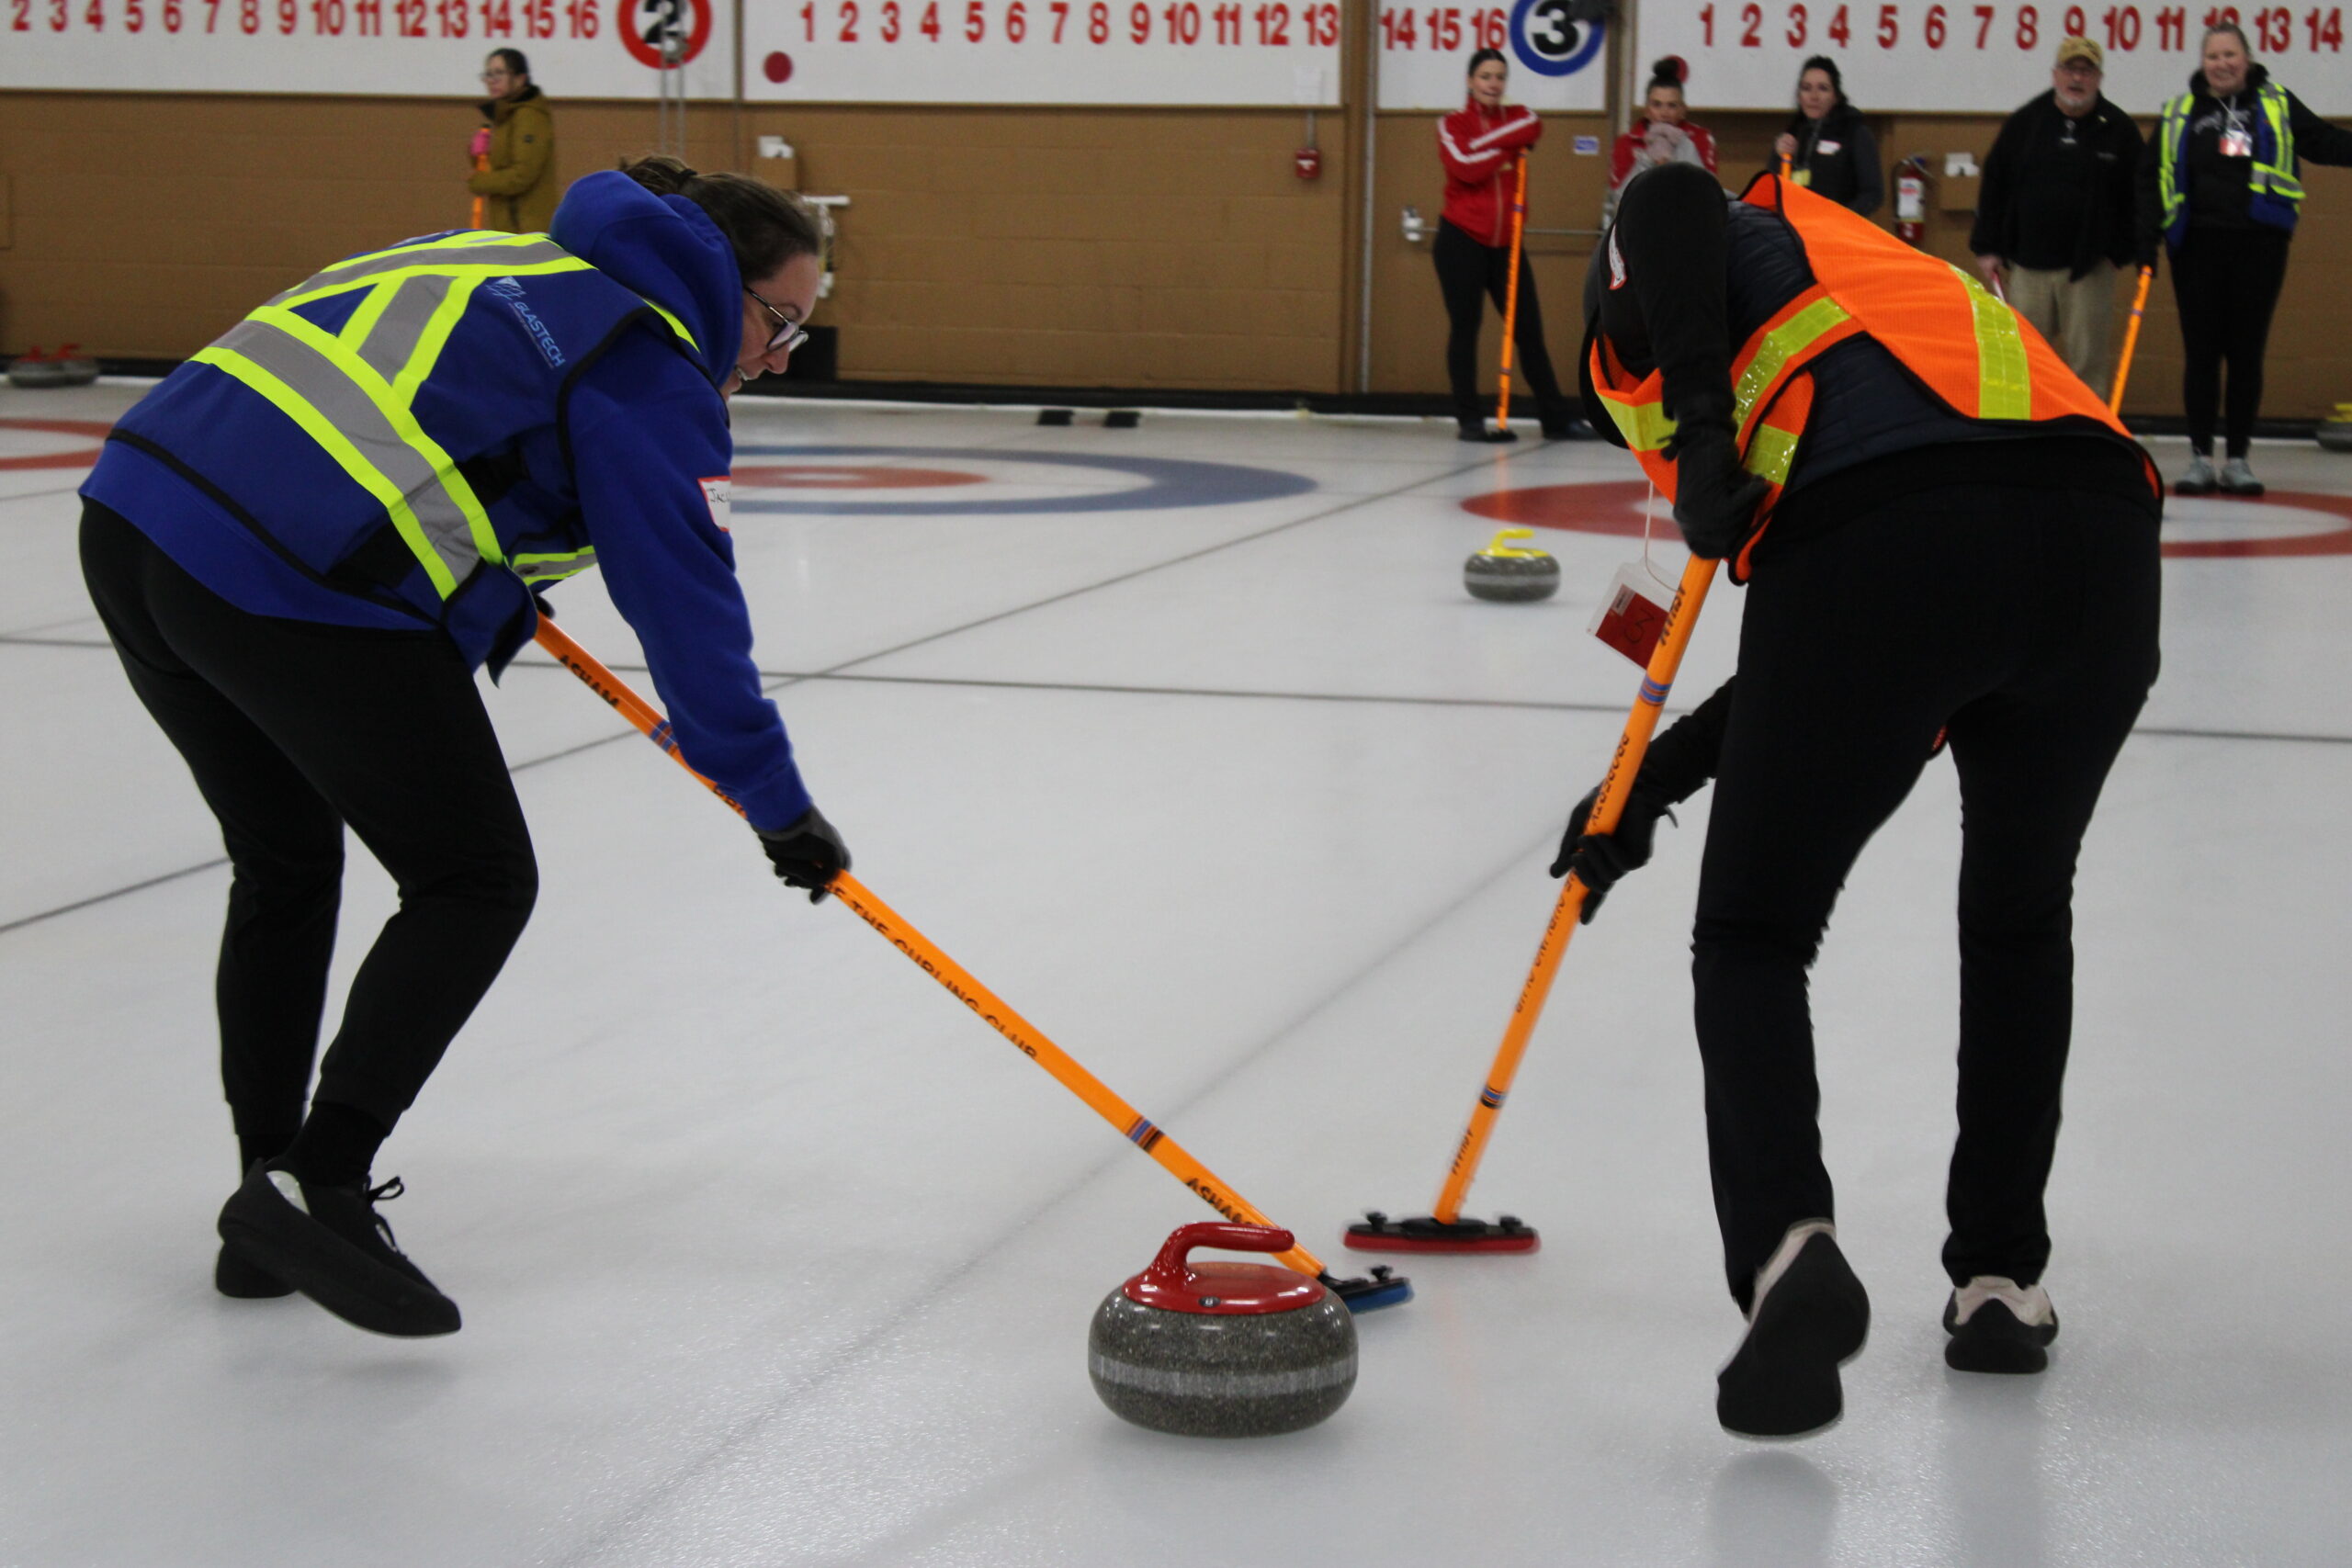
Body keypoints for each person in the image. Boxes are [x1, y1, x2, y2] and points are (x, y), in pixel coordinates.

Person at [77, 156, 850, 1338]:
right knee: (475, 879)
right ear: (716, 280)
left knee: (287, 862)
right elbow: (688, 615)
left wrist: (481, 574)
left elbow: (425, 427)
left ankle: (266, 1204)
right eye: (779, 320)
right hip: (289, 574)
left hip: (137, 517)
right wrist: (775, 804)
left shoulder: (504, 258)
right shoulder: (646, 366)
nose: (783, 354)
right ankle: (318, 1177)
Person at [1569, 161, 2162, 1438]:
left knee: (1752, 935)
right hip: (2101, 544)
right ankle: (2000, 1283)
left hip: (1892, 539)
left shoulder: (1672, 284)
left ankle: (1789, 1246)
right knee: (2019, 920)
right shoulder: (1872, 283)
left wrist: (1705, 438)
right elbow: (1841, 671)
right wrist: (1652, 780)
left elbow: (1664, 194)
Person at [2137, 23, 2352, 496]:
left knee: (2246, 354)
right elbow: (2150, 180)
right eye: (2213, 56)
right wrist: (2145, 239)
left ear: (2248, 59)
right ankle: (2199, 458)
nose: (2222, 64)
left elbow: (2323, 142)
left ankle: (2238, 460)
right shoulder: (2180, 112)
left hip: (2259, 247)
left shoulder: (2275, 103)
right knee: (2201, 354)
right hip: (2195, 249)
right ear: (2203, 63)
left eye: (2230, 55)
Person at [1970, 37, 2144, 389]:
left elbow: (2140, 195)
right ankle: (2030, 427)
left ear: (2099, 78)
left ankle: (2086, 427)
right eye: (2069, 69)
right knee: (2025, 362)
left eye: (2086, 71)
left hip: (2089, 269)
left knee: (2087, 367)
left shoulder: (2119, 130)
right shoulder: (2025, 123)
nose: (2077, 78)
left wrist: (2120, 251)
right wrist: (1987, 246)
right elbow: (1995, 184)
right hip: (2027, 268)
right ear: (2055, 74)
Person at [1436, 48, 1580, 443]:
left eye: (1499, 77)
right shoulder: (1452, 123)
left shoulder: (1519, 115)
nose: (1493, 84)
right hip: (1461, 239)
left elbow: (1533, 125)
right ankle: (1469, 420)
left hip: (1507, 243)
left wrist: (1485, 148)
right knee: (1466, 328)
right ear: (1470, 81)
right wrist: (1506, 149)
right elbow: (1463, 166)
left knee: (1529, 331)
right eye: (1485, 76)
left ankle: (1556, 419)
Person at [1607, 56, 1720, 223]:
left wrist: (1680, 149)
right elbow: (1619, 199)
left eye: (1672, 105)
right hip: (1639, 223)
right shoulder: (1627, 142)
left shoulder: (1701, 138)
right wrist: (1647, 159)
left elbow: (1708, 194)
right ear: (1647, 110)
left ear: (1683, 110)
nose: (1664, 113)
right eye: (1657, 105)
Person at [1770, 57, 1882, 217]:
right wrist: (1777, 157)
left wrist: (1840, 218)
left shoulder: (1856, 133)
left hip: (1839, 227)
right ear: (1799, 96)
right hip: (1796, 225)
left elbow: (1873, 193)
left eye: (1823, 88)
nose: (1814, 96)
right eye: (1806, 88)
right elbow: (1773, 189)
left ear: (1836, 96)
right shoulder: (1793, 133)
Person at [469, 49, 557, 234]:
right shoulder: (504, 116)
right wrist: (476, 155)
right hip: (510, 225)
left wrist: (479, 182)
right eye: (488, 74)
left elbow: (522, 176)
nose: (492, 80)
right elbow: (498, 166)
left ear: (520, 78)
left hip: (528, 229)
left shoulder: (529, 116)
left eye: (499, 73)